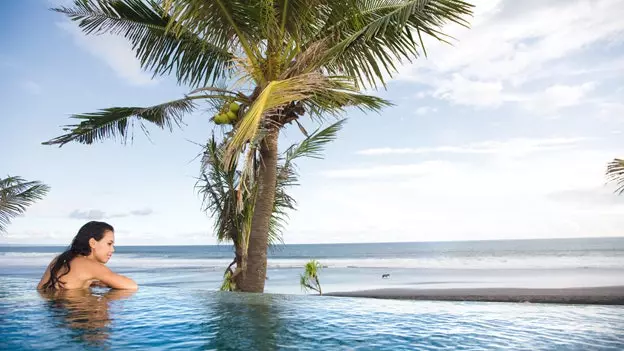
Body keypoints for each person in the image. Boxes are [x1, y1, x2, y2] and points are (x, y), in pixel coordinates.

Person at [37, 221, 138, 291]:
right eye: (109, 244)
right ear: (93, 243)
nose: (112, 249)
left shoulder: (60, 259)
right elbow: (131, 286)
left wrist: (92, 283)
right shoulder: (91, 266)